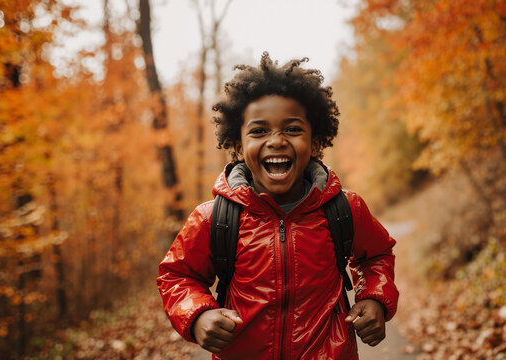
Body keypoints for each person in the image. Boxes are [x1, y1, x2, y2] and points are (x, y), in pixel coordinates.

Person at [157, 52, 399, 360]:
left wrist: (374, 299)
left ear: (315, 143)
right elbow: (177, 276)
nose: (277, 140)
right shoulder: (213, 218)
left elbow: (377, 255)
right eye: (259, 131)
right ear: (237, 145)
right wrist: (198, 314)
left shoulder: (344, 208)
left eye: (293, 129)